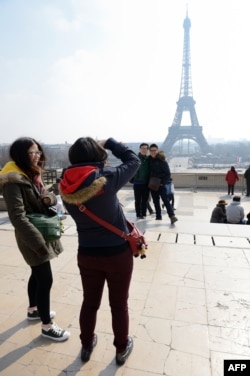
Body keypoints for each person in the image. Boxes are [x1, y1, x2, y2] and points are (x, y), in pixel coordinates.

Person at [59, 137, 140, 365]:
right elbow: (134, 160)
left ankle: (86, 345)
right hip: (116, 254)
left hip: (86, 253)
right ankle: (121, 348)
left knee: (90, 302)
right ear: (98, 158)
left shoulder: (64, 184)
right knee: (119, 304)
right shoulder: (107, 178)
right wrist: (111, 143)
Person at [0, 137, 70, 341]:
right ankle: (47, 326)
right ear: (21, 154)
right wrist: (38, 244)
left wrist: (49, 198)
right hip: (30, 236)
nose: (36, 156)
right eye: (31, 152)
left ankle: (33, 310)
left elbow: (47, 196)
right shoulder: (12, 180)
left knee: (36, 273)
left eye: (38, 151)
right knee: (45, 278)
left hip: (36, 231)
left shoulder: (30, 174)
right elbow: (17, 217)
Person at [148, 144, 178, 224]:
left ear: (157, 150)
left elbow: (168, 174)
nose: (153, 152)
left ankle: (172, 216)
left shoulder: (162, 161)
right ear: (149, 151)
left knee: (166, 201)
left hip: (161, 185)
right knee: (156, 201)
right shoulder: (148, 160)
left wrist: (162, 183)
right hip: (152, 184)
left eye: (154, 150)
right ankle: (158, 216)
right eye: (151, 150)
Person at [131, 143, 150, 219]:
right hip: (137, 183)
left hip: (146, 183)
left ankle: (144, 214)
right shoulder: (135, 159)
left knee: (145, 200)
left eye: (145, 148)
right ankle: (138, 214)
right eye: (143, 148)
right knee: (138, 200)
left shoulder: (148, 159)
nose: (144, 150)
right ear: (140, 149)